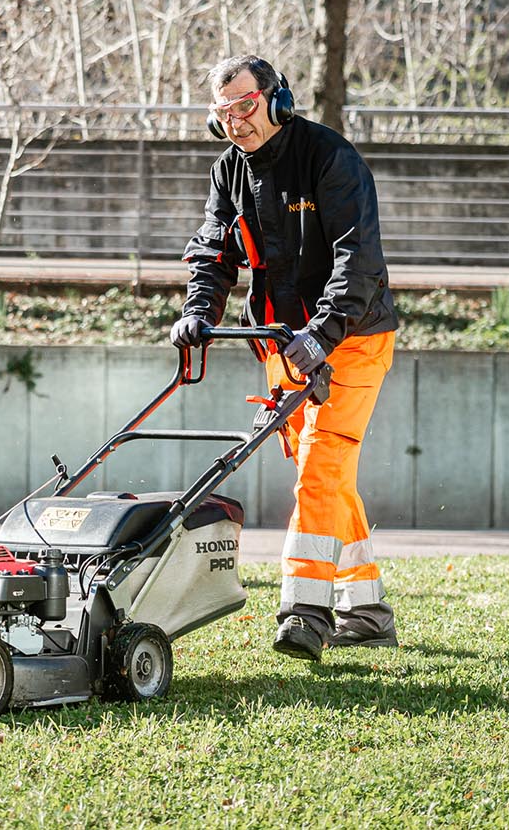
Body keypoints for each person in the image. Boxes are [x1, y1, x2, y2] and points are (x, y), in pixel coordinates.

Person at [170, 54, 399, 662]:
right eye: (223, 112)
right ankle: (368, 609)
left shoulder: (330, 158)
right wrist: (199, 311)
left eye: (245, 106)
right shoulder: (228, 172)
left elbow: (360, 261)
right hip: (280, 344)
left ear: (277, 99)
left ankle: (305, 610)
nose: (236, 121)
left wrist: (323, 335)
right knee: (322, 474)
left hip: (350, 338)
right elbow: (214, 252)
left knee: (322, 468)